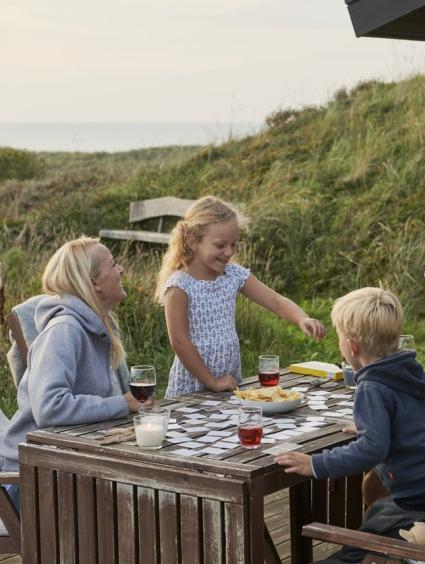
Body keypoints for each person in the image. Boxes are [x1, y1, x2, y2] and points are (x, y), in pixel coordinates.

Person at [275, 287, 425, 564]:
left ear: (352, 346)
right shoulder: (410, 370)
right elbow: (419, 418)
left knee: (355, 550)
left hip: (421, 505)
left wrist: (315, 464)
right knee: (378, 514)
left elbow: (371, 450)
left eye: (341, 337)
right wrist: (376, 425)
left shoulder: (372, 387)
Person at [0, 237, 144, 510]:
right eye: (113, 264)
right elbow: (49, 408)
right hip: (30, 482)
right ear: (95, 283)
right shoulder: (65, 330)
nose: (121, 269)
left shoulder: (96, 326)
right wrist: (121, 403)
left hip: (61, 470)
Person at [154, 195, 325, 398]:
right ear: (192, 241)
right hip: (193, 385)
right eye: (220, 245)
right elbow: (179, 341)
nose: (228, 252)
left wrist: (301, 318)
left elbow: (275, 300)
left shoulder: (233, 275)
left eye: (233, 245)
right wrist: (212, 382)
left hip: (229, 381)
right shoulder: (180, 285)